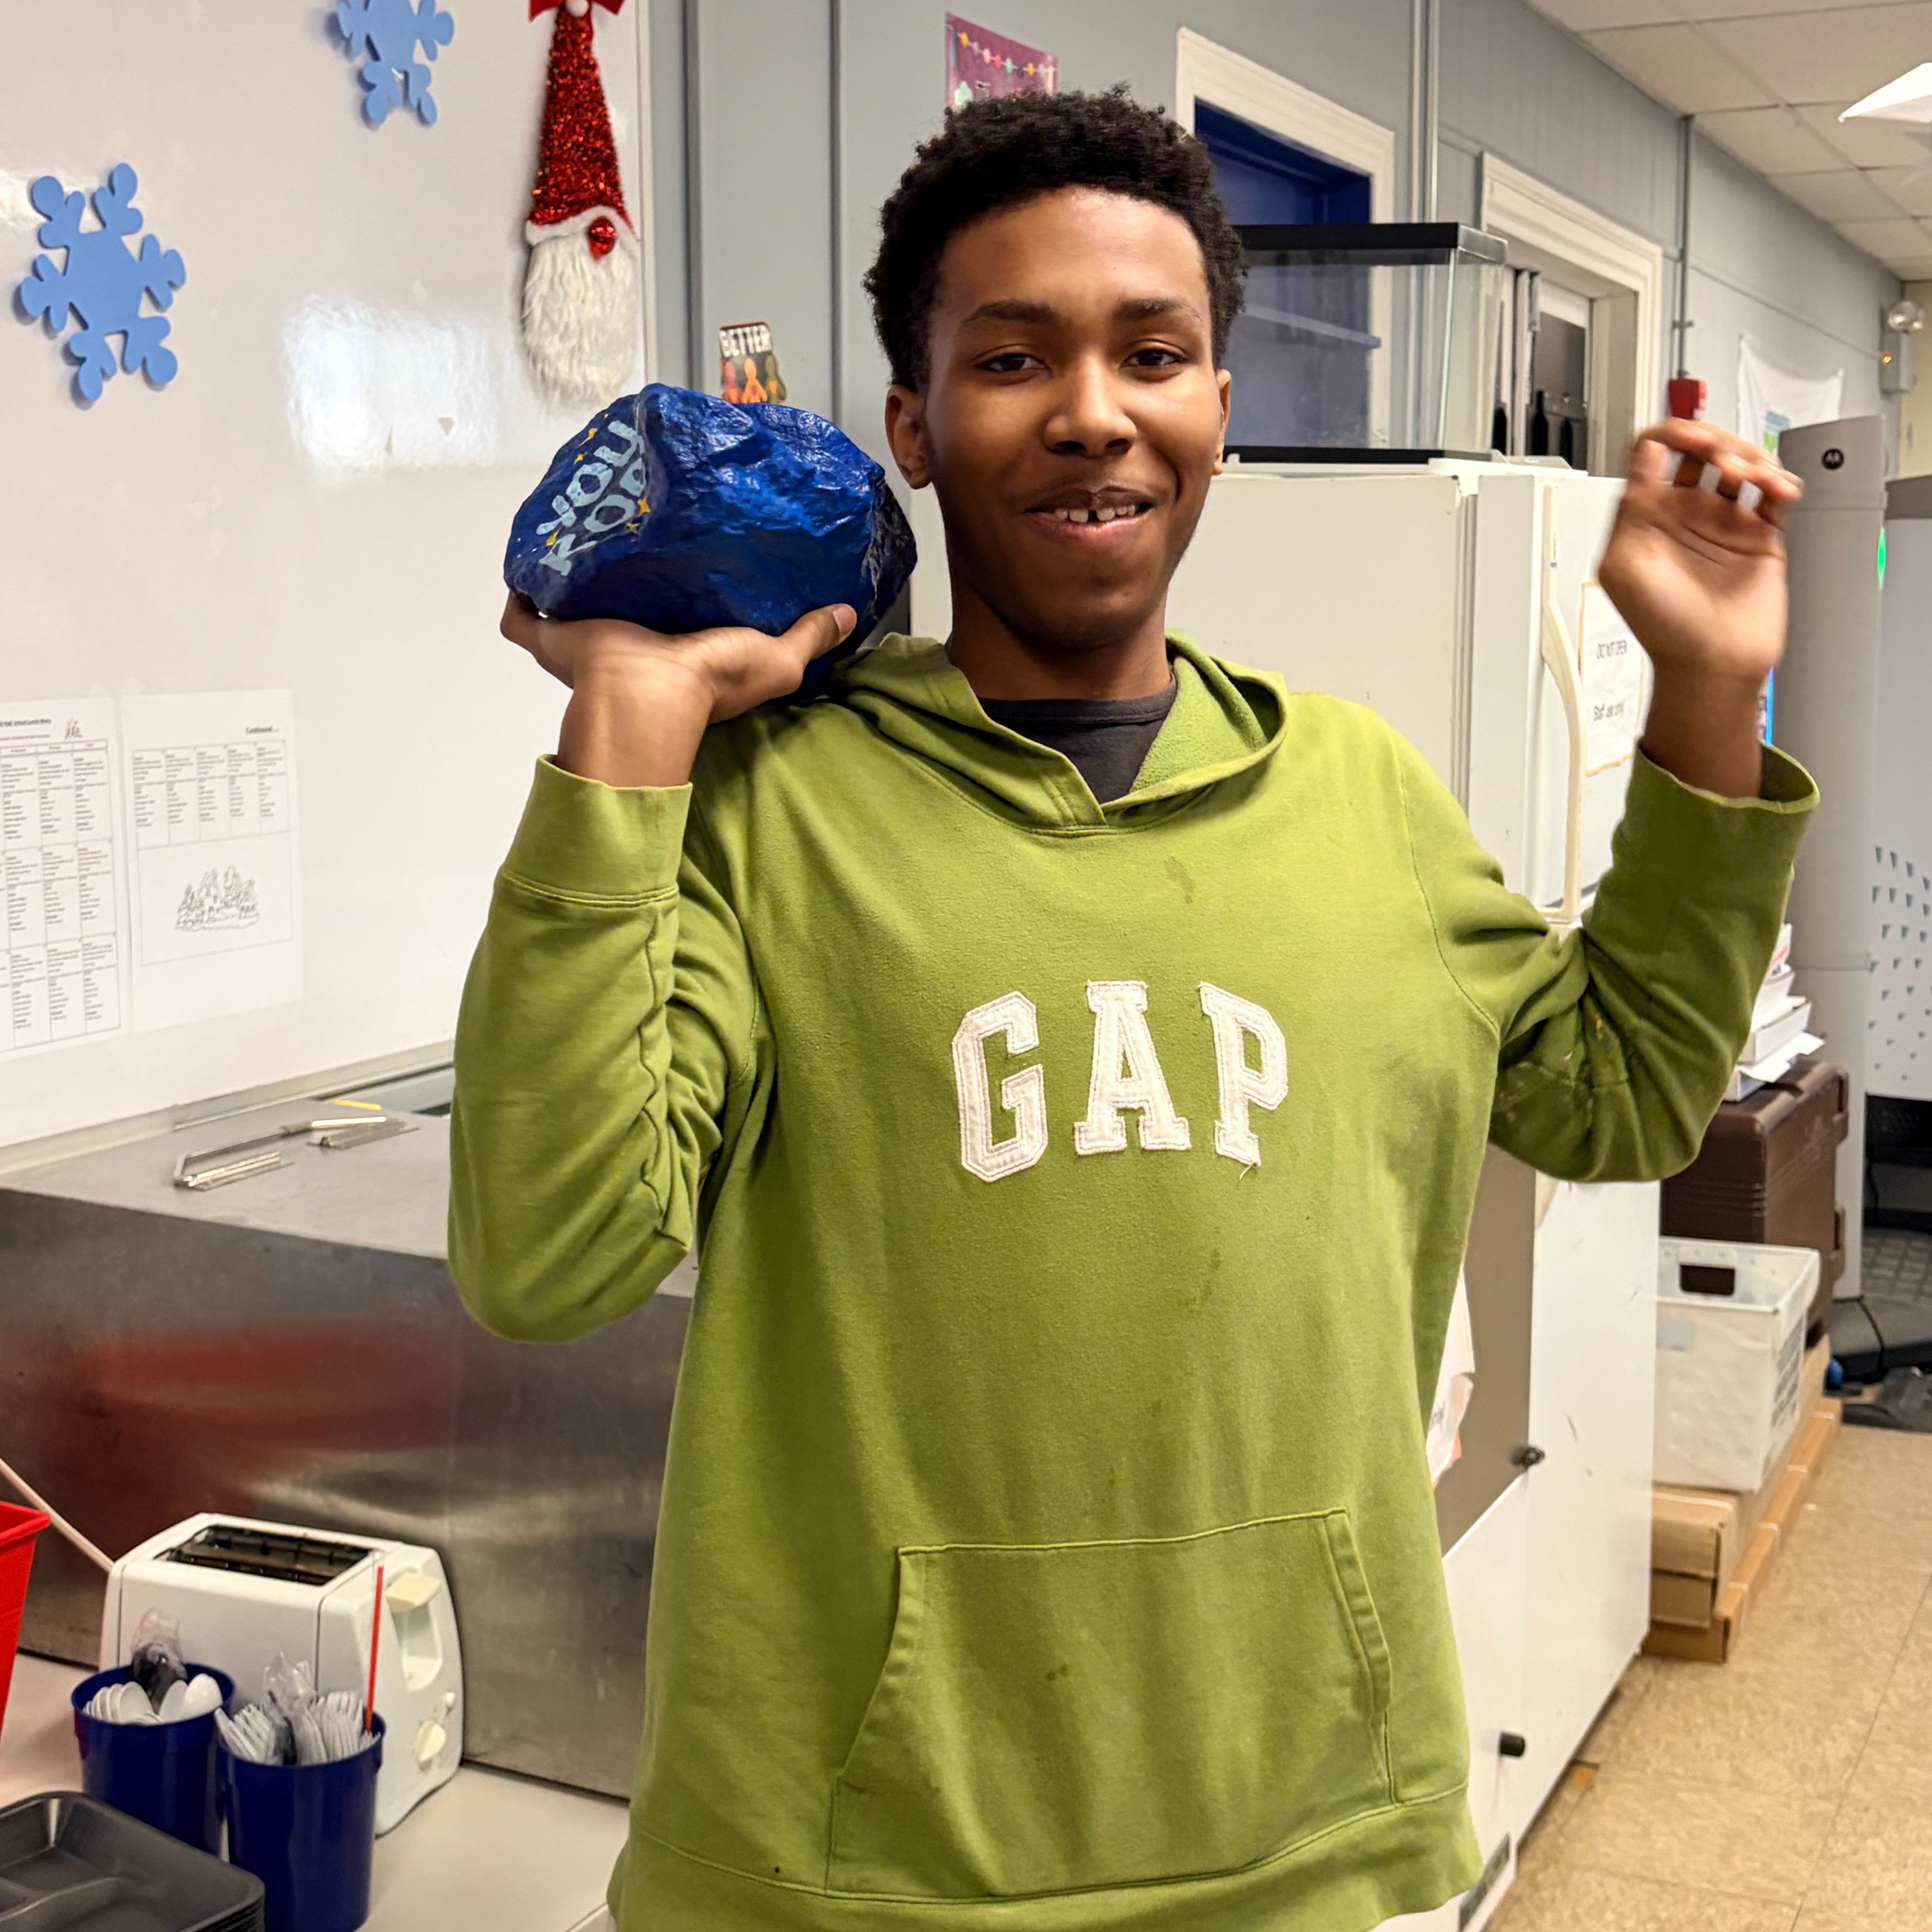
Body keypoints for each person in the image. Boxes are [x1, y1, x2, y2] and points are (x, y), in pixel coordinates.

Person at [451, 90, 1812, 1932]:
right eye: (1013, 357)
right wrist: (627, 721)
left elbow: (1630, 1098)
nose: (1093, 407)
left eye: (1151, 352)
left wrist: (1709, 701)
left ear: (1221, 415)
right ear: (915, 430)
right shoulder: (771, 812)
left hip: (1302, 1825)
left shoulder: (1366, 802)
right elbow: (547, 1256)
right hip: (857, 1862)